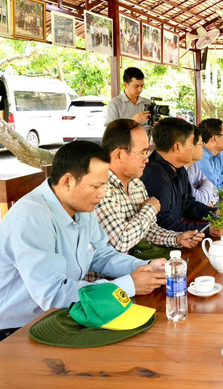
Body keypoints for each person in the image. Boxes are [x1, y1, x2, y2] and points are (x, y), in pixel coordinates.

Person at [0, 141, 166, 338]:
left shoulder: (81, 207)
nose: (103, 194)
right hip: (18, 331)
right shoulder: (32, 217)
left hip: (66, 314)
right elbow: (53, 294)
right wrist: (128, 285)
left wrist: (147, 266)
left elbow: (101, 255)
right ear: (67, 181)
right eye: (96, 185)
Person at [96, 119, 204, 254]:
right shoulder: (100, 188)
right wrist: (150, 209)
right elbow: (121, 242)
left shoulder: (136, 183)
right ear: (119, 154)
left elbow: (148, 230)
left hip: (136, 264)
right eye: (142, 153)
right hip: (109, 274)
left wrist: (177, 238)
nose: (146, 159)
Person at [140, 118, 223, 237]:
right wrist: (207, 230)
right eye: (191, 144)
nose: (194, 148)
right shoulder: (155, 175)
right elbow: (163, 224)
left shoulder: (179, 169)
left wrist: (216, 213)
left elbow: (188, 204)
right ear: (177, 147)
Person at [105, 67, 152, 133]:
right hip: (123, 142)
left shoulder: (148, 103)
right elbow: (110, 130)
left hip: (145, 142)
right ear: (125, 85)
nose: (140, 89)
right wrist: (131, 122)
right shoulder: (115, 104)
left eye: (142, 86)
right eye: (136, 86)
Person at [186, 125, 218, 207]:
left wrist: (210, 199)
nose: (203, 147)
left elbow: (216, 189)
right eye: (201, 144)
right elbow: (200, 201)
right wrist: (207, 182)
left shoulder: (194, 164)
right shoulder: (182, 169)